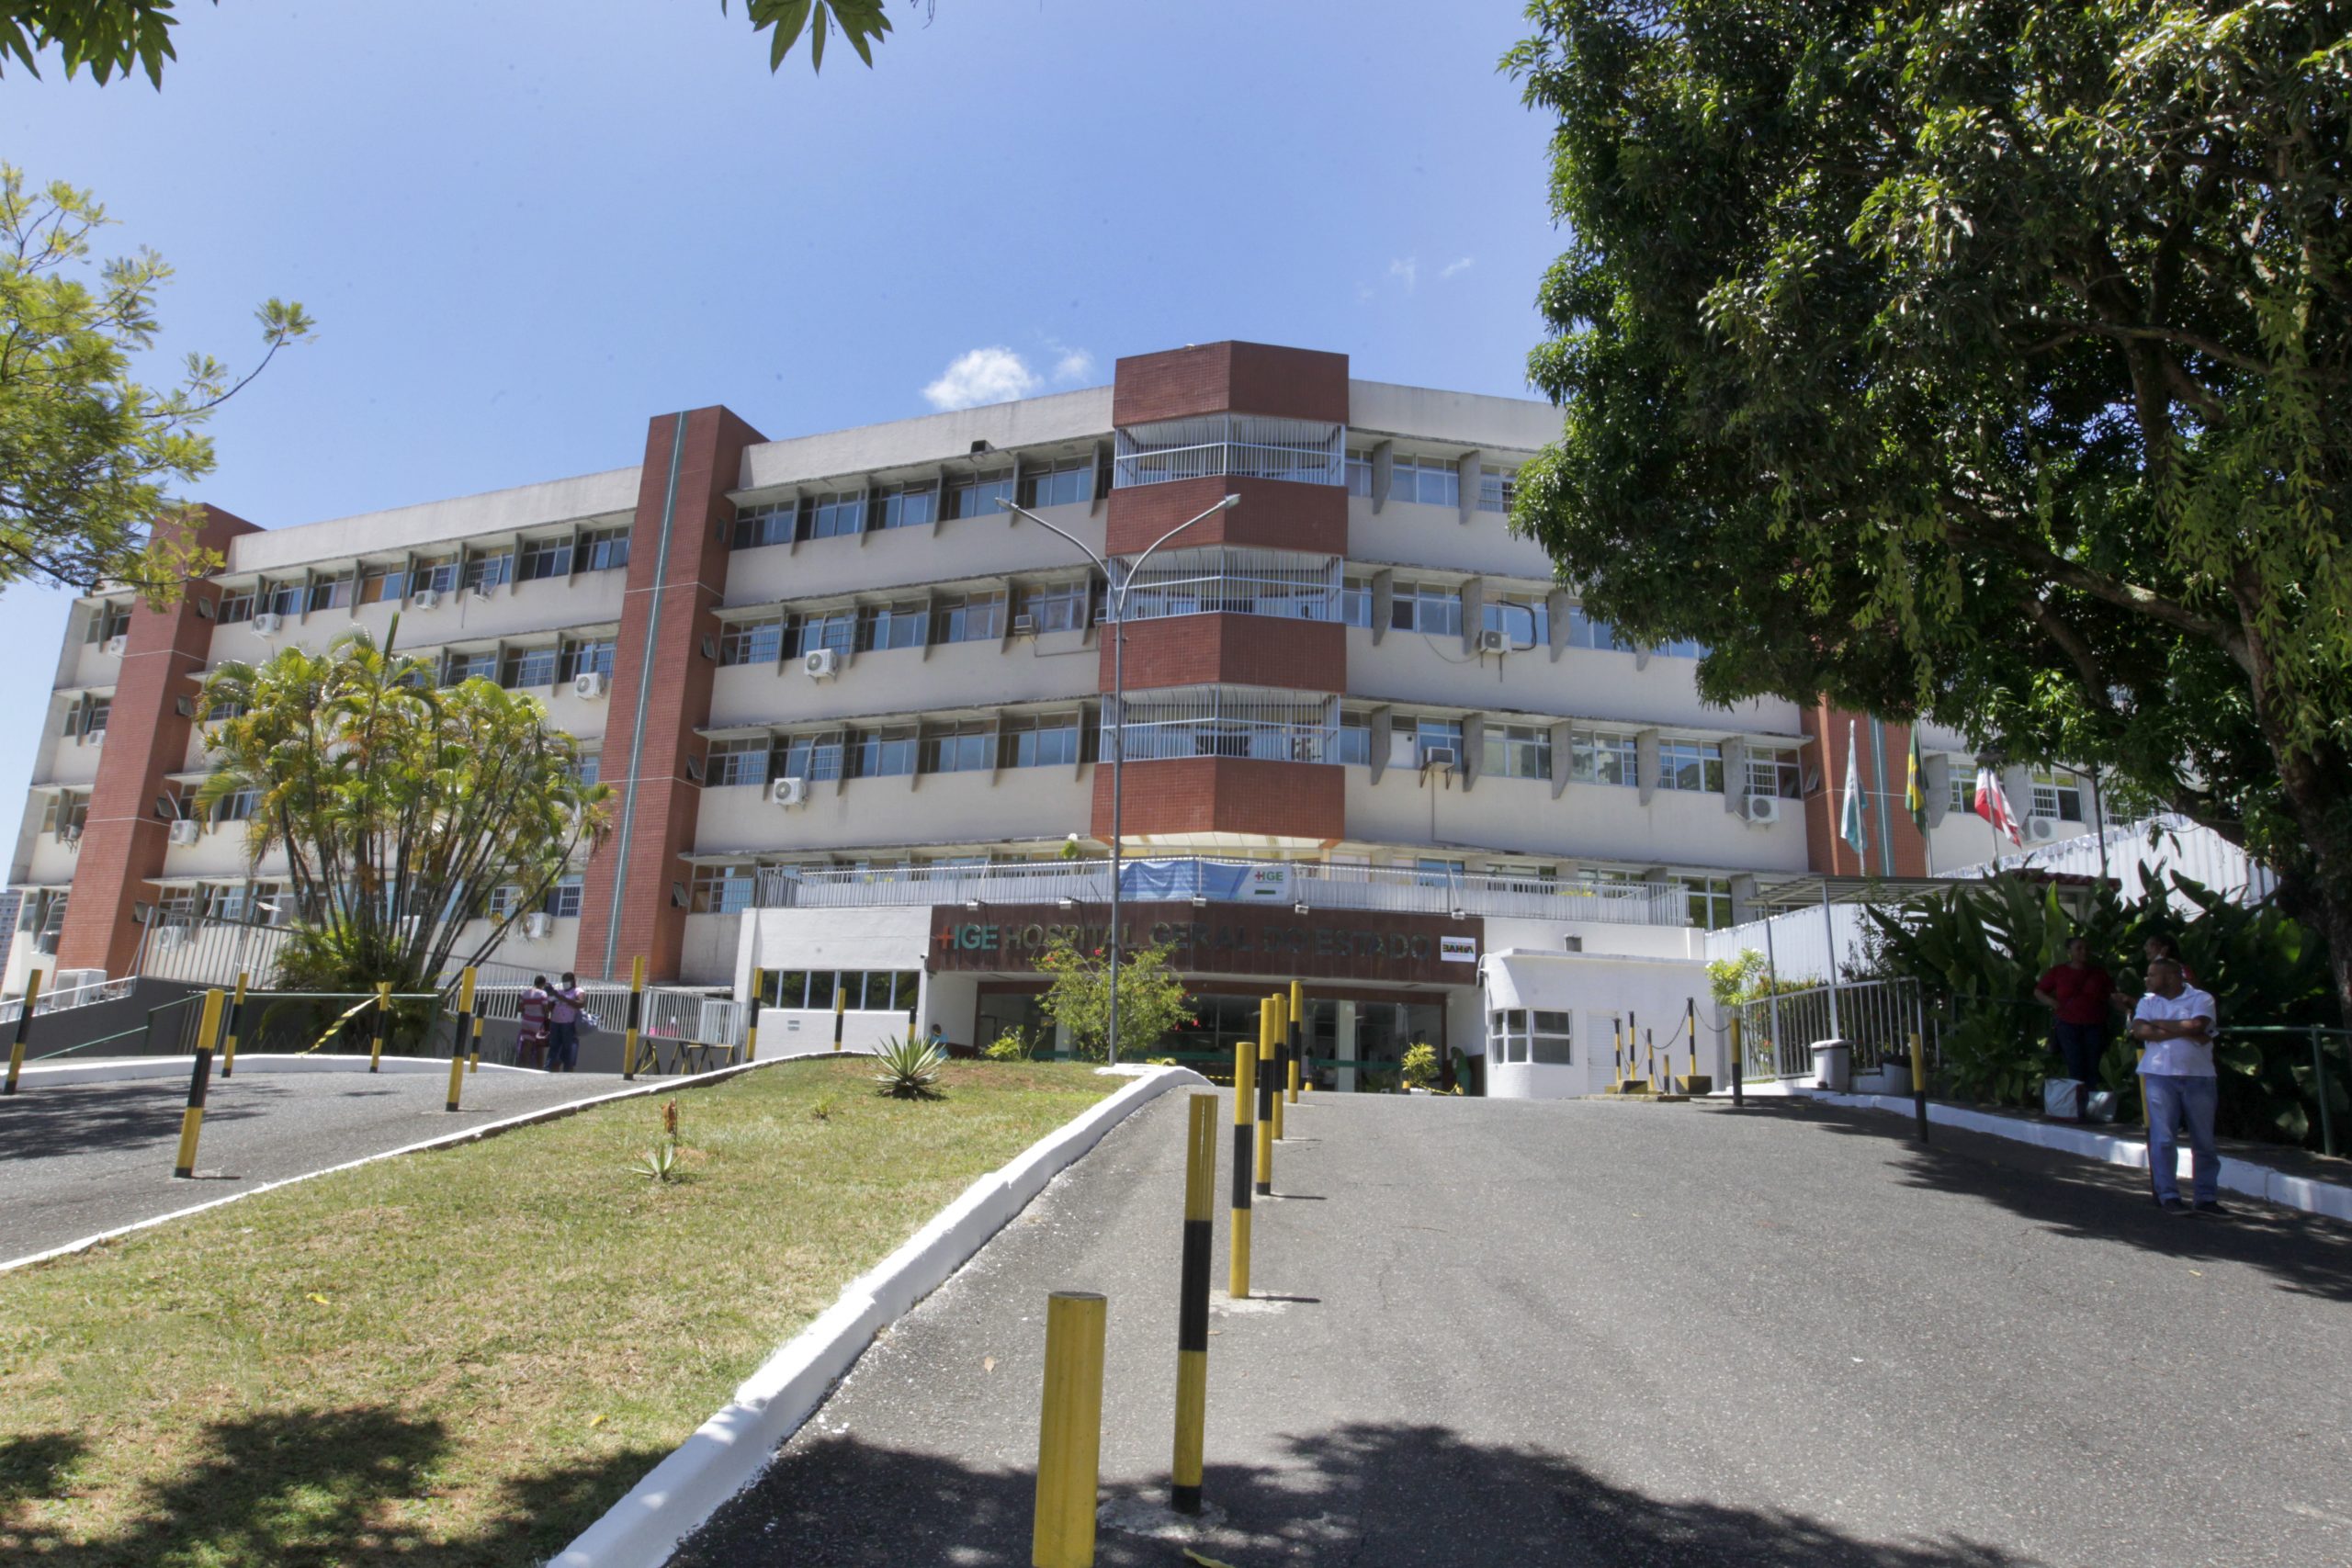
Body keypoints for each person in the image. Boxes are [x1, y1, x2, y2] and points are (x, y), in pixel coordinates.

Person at [2132, 955, 2222, 1213]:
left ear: (2170, 977)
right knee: (2163, 1139)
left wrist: (2159, 1025)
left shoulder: (2201, 998)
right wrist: (2186, 1030)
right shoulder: (2147, 1001)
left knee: (2204, 1141)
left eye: (2152, 975)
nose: (2147, 979)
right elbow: (2140, 1031)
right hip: (2159, 1075)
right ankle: (2168, 1194)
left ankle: (2206, 1197)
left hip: (2199, 1077)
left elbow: (2198, 1024)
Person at [2035, 935, 2114, 1119]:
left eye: (2086, 948)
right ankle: (2075, 1107)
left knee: (2094, 1064)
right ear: (2069, 951)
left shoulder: (2098, 973)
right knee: (2075, 1063)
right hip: (2068, 1024)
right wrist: (2053, 1003)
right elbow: (2039, 991)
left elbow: (2111, 995)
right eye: (2078, 948)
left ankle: (2091, 1107)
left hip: (2094, 1024)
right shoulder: (2059, 971)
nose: (2083, 952)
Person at [547, 972, 584, 1073]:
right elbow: (550, 1008)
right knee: (554, 1046)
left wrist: (564, 999)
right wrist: (551, 998)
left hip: (568, 1023)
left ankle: (567, 1069)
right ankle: (549, 1068)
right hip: (555, 1022)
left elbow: (581, 1003)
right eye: (563, 980)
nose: (564, 983)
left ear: (572, 981)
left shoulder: (577, 991)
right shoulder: (559, 992)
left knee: (567, 1047)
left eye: (566, 980)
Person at [517, 975, 552, 1071]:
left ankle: (524, 1067)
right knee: (540, 1046)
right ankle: (539, 1069)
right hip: (538, 1023)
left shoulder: (525, 993)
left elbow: (519, 1008)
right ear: (543, 983)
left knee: (527, 1045)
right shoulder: (543, 994)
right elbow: (545, 1009)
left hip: (526, 1021)